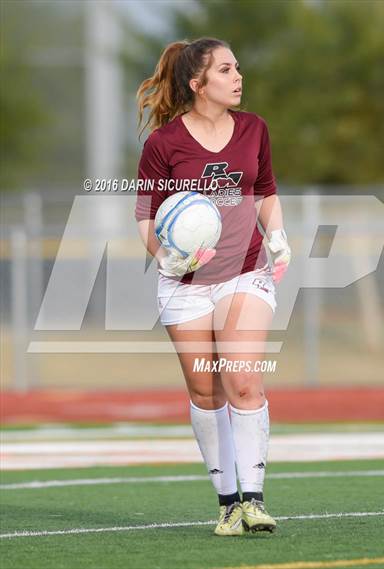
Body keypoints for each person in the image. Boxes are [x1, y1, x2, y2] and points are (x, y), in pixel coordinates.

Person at [135, 37, 291, 536]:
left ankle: (255, 500)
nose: (238, 77)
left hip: (245, 271)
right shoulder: (164, 145)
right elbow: (145, 216)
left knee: (242, 378)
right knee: (206, 389)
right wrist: (168, 256)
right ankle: (227, 502)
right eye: (226, 70)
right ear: (197, 84)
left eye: (237, 68)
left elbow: (264, 190)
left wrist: (279, 237)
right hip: (185, 283)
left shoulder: (254, 129)